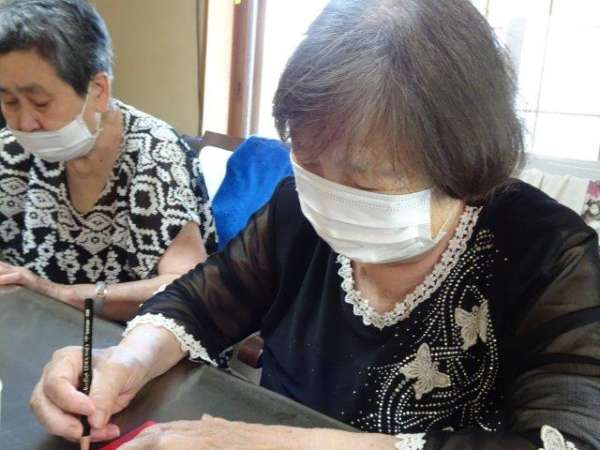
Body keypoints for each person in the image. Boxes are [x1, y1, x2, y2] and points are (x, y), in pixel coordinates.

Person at [30, 0, 600, 449]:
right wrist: (125, 361)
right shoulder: (296, 210)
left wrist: (285, 443)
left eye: (366, 180)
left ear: (461, 163)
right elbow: (202, 302)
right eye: (308, 161)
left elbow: (571, 438)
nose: (329, 196)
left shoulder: (548, 253)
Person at [0, 0, 216, 321]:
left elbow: (185, 286)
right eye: (9, 102)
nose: (24, 122)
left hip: (135, 339)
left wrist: (58, 293)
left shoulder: (155, 155)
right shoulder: (11, 151)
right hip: (37, 325)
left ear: (98, 90)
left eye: (40, 102)